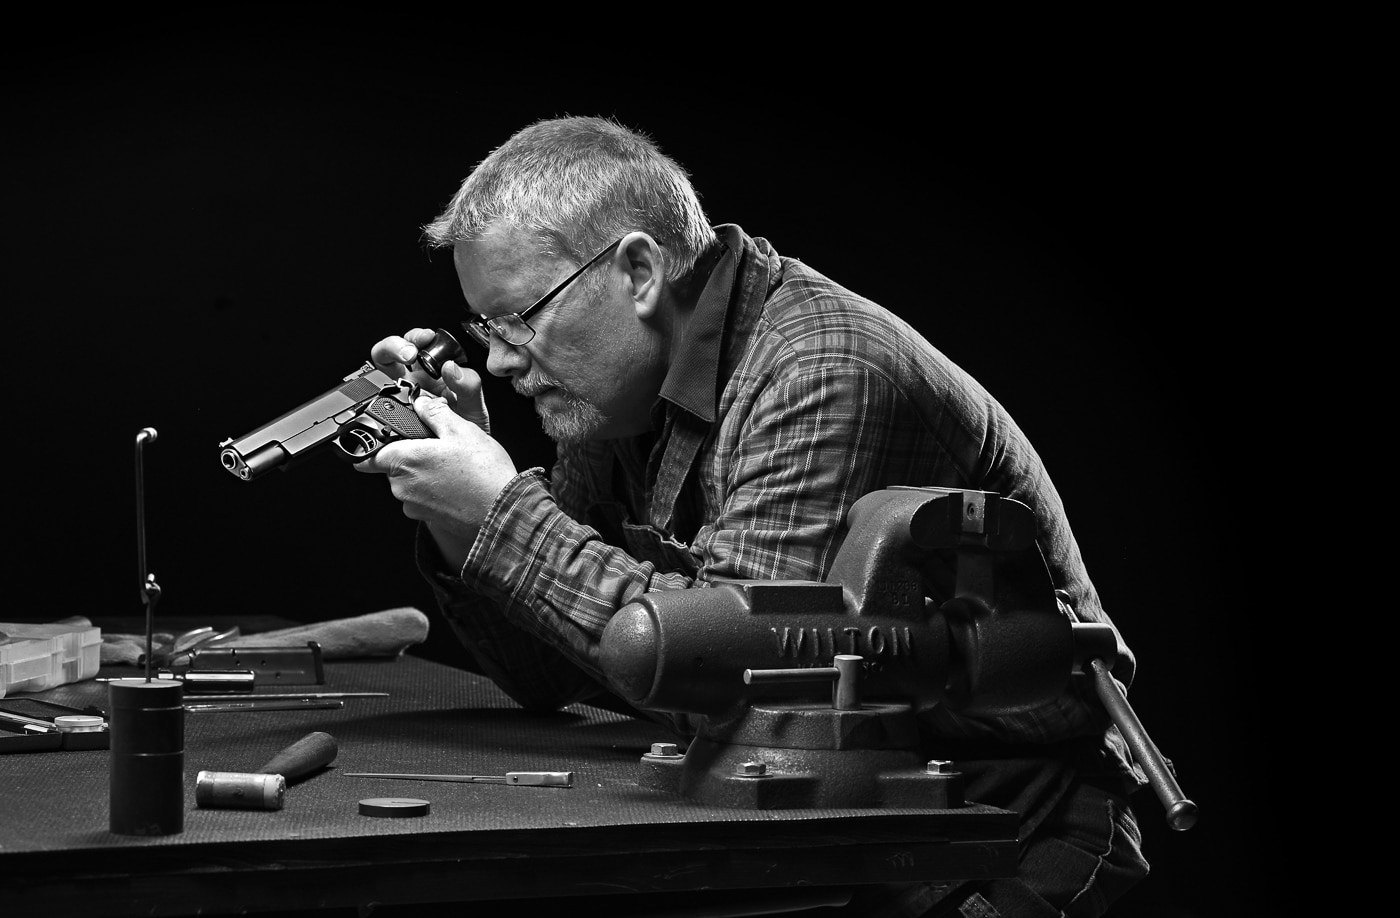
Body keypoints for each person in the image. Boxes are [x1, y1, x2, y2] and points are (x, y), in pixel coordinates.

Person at [356, 115, 1150, 917]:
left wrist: (502, 510)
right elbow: (548, 674)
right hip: (825, 813)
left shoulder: (825, 370)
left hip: (1001, 825)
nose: (500, 360)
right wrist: (463, 512)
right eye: (487, 329)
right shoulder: (613, 405)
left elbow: (747, 691)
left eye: (521, 320)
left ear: (638, 270)